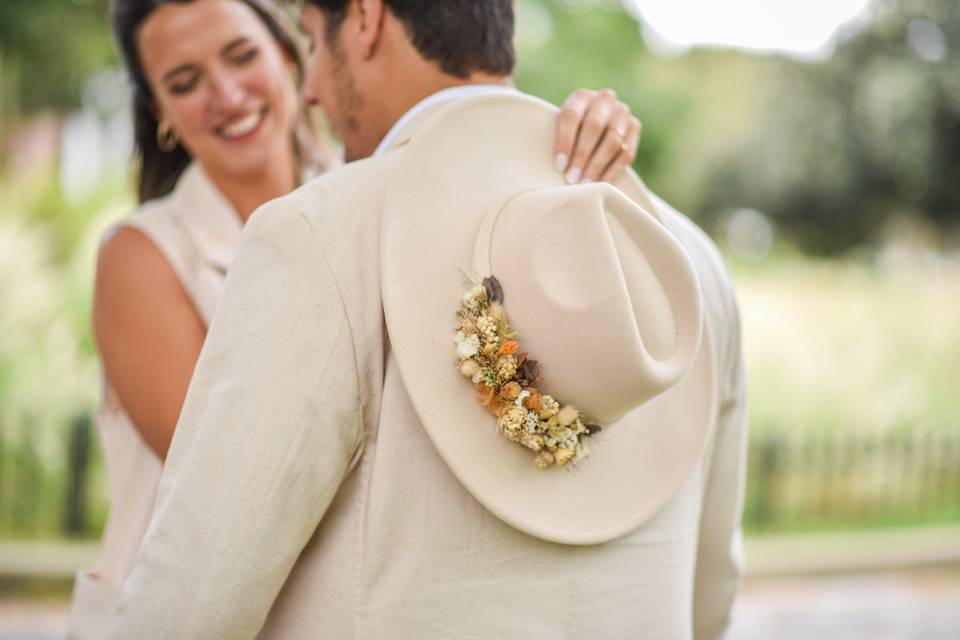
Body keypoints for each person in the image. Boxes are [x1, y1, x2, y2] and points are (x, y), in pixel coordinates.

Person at [111, 1, 747, 639]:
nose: (308, 91)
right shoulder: (692, 261)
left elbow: (192, 599)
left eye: (309, 37)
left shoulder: (321, 231)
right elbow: (711, 590)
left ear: (364, 18)